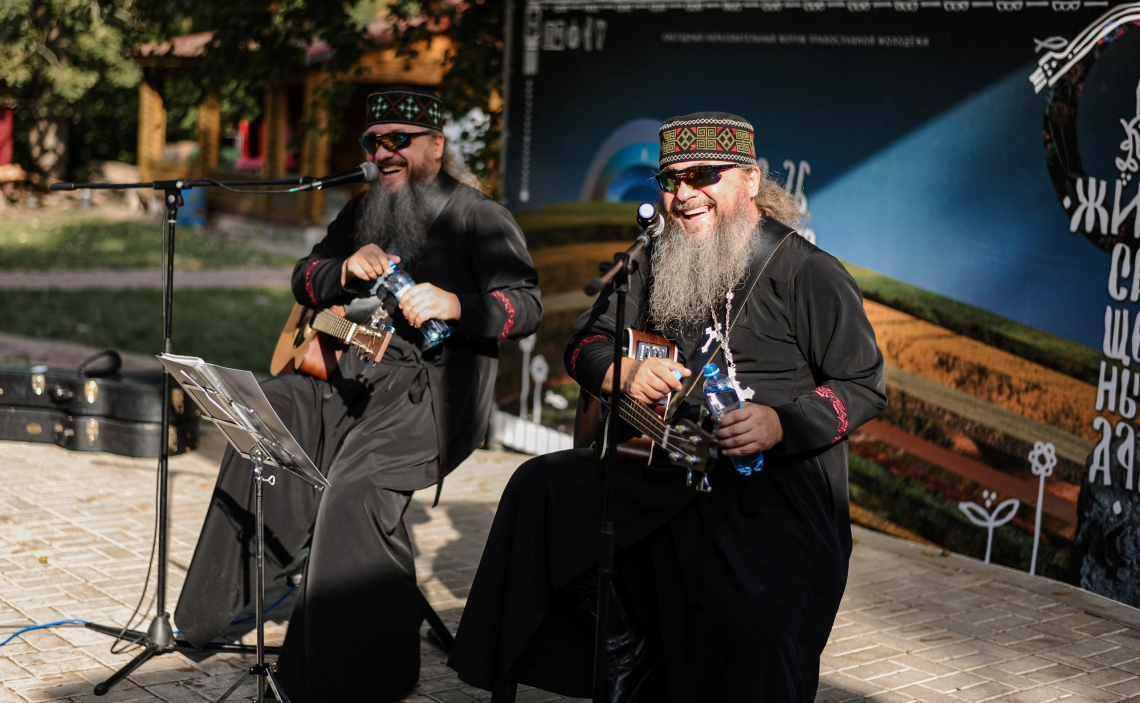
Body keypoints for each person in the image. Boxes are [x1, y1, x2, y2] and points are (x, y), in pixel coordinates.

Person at [447, 111, 886, 702]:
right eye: (670, 180)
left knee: (748, 615)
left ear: (751, 181)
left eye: (702, 176)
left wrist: (782, 422)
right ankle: (623, 647)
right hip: (666, 466)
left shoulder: (810, 273)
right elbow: (584, 342)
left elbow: (863, 383)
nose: (683, 195)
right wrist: (622, 373)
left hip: (770, 489)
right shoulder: (655, 258)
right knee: (541, 488)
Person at [173, 86, 542, 703]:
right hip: (352, 379)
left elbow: (526, 305)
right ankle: (219, 613)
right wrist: (343, 270)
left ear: (436, 146)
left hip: (434, 395)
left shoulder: (480, 217)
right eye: (374, 141)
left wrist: (457, 304)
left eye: (399, 139)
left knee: (356, 489)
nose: (384, 151)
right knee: (260, 420)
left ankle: (352, 680)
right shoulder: (363, 210)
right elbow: (305, 277)